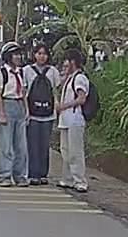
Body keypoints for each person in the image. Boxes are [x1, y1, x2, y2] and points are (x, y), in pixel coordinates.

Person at [23, 43, 61, 185]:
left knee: (45, 145)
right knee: (32, 145)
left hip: (48, 114)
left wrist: (56, 106)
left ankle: (43, 174)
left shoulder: (53, 71)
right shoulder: (27, 71)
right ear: (34, 55)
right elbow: (24, 92)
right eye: (39, 53)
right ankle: (33, 174)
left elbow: (55, 91)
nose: (42, 56)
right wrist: (26, 111)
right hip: (32, 114)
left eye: (44, 54)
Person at [0, 41, 29, 187]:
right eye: (15, 55)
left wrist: (26, 110)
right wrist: (1, 113)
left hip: (19, 106)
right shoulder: (1, 73)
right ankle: (4, 175)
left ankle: (20, 175)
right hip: (7, 105)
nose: (18, 57)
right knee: (6, 145)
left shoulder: (21, 72)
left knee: (21, 145)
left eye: (19, 54)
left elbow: (23, 92)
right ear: (8, 56)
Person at [57, 48, 90, 193]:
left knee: (75, 152)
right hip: (65, 119)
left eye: (67, 61)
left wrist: (63, 106)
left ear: (73, 62)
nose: (64, 64)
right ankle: (68, 178)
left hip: (75, 119)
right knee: (65, 150)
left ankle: (80, 181)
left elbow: (81, 99)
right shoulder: (69, 78)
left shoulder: (79, 78)